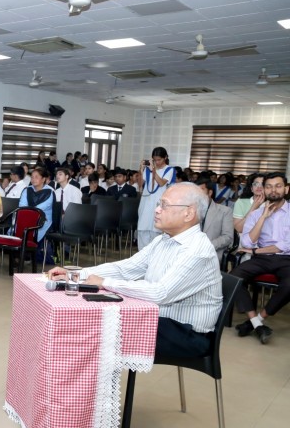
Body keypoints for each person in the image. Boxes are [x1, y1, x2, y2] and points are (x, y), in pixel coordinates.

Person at [48, 183, 222, 358]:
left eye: (164, 205)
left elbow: (160, 293)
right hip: (161, 319)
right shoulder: (163, 240)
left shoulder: (197, 250)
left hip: (187, 333)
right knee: (92, 319)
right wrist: (77, 274)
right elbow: (126, 268)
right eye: (158, 204)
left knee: (96, 331)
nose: (157, 210)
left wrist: (105, 283)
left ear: (189, 213)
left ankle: (80, 374)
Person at [231, 172, 290, 344]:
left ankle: (256, 321)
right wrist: (263, 216)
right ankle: (256, 322)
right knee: (233, 277)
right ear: (263, 190)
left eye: (278, 186)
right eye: (269, 186)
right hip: (261, 260)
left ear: (286, 189)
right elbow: (247, 241)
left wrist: (256, 251)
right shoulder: (256, 214)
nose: (273, 190)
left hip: (286, 259)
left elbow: (286, 245)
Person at [137, 147, 176, 248]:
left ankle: (155, 254)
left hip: (159, 202)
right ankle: (142, 253)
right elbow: (140, 184)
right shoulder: (148, 169)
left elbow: (161, 183)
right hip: (146, 201)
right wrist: (141, 170)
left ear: (165, 157)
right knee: (143, 228)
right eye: (154, 160)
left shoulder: (169, 169)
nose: (157, 162)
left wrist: (153, 171)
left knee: (156, 230)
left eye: (159, 160)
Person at [20, 166, 56, 264]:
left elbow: (40, 209)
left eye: (36, 177)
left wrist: (29, 212)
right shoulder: (27, 190)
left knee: (34, 230)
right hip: (27, 217)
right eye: (32, 177)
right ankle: (22, 254)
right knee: (17, 228)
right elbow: (22, 206)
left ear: (43, 179)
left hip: (43, 220)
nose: (33, 179)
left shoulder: (49, 191)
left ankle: (29, 255)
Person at [196, 178, 234, 264]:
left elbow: (228, 237)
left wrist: (207, 246)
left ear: (210, 193)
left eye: (201, 190)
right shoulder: (189, 210)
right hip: (190, 252)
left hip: (211, 252)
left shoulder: (224, 211)